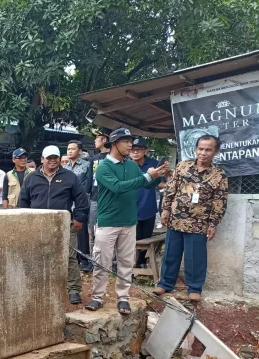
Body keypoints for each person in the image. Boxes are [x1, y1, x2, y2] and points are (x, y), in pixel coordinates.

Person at [85, 128, 167, 315]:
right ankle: (98, 296)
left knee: (126, 262)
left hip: (129, 222)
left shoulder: (131, 165)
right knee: (101, 261)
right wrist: (147, 176)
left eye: (130, 141)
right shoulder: (104, 167)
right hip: (108, 222)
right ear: (114, 144)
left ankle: (123, 297)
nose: (130, 145)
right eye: (125, 141)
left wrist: (158, 176)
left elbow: (144, 184)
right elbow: (118, 187)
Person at [155, 135, 228, 302]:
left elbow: (220, 201)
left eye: (208, 149)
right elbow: (170, 190)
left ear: (215, 152)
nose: (203, 153)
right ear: (196, 149)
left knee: (195, 256)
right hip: (176, 218)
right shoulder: (183, 167)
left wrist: (213, 223)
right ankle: (165, 284)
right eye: (200, 149)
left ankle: (194, 287)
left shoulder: (219, 175)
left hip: (199, 222)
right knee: (170, 254)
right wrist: (165, 211)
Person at [19, 145, 88, 304]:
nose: (53, 160)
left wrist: (78, 218)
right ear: (42, 159)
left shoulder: (70, 177)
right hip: (37, 224)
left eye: (55, 157)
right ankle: (38, 287)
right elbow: (23, 200)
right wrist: (24, 220)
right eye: (49, 158)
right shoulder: (31, 178)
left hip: (63, 224)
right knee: (37, 256)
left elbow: (81, 199)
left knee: (70, 256)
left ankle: (74, 290)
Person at [129, 138, 164, 267]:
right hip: (130, 209)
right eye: (133, 149)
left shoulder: (153, 164)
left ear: (146, 151)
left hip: (148, 208)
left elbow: (162, 183)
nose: (136, 152)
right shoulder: (125, 165)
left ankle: (141, 262)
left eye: (139, 149)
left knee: (146, 237)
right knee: (133, 239)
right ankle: (131, 266)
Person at [64, 140, 92, 272]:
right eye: (68, 149)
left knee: (82, 233)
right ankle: (72, 258)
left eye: (73, 149)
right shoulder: (64, 168)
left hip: (82, 203)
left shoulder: (87, 165)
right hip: (68, 204)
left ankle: (85, 260)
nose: (69, 151)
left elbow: (87, 186)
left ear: (80, 151)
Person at [87, 129, 111, 252]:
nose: (94, 141)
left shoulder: (114, 158)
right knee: (92, 230)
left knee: (109, 231)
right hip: (95, 199)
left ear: (104, 140)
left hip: (110, 200)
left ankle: (112, 263)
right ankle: (93, 260)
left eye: (97, 138)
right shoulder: (94, 159)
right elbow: (89, 179)